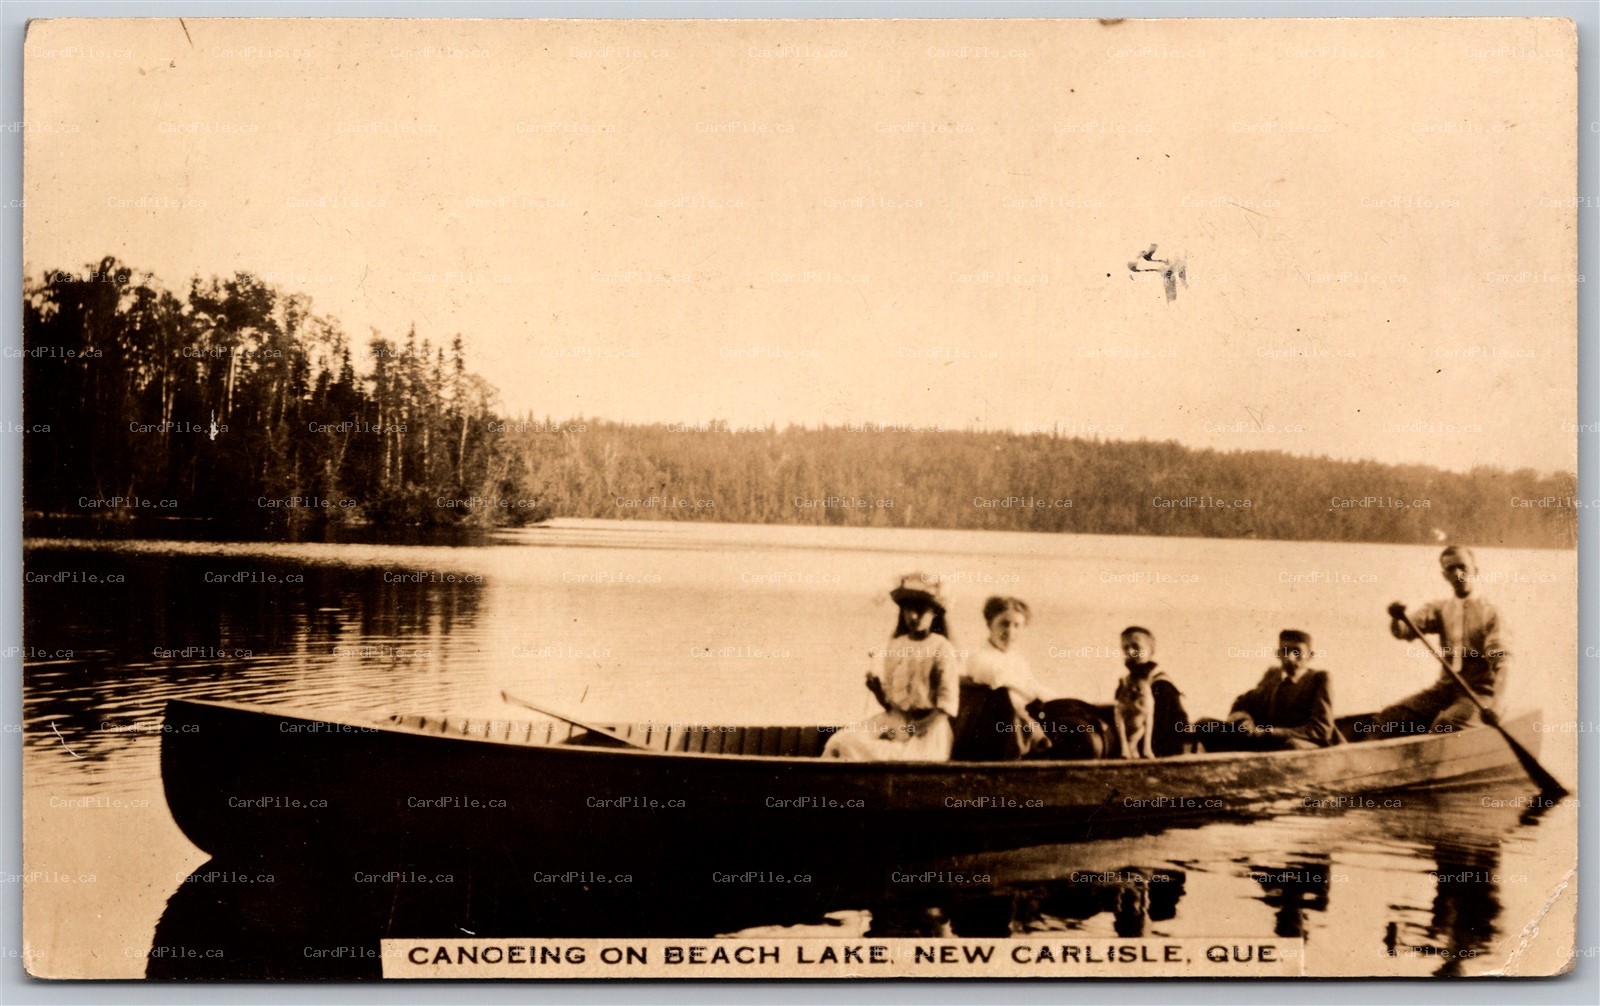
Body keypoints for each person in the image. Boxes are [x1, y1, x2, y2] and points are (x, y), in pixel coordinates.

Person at [821, 574, 961, 761]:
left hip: (927, 730)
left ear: (934, 613)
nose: (913, 616)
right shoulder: (896, 645)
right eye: (908, 609)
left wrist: (910, 730)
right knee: (839, 743)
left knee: (880, 754)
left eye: (920, 610)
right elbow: (891, 702)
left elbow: (946, 706)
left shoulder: (942, 648)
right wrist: (878, 690)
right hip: (895, 721)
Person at [1375, 545, 1509, 736]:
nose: (1457, 573)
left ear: (1475, 570)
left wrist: (1497, 706)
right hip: (1444, 691)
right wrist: (1396, 618)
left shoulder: (1490, 613)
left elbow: (1503, 664)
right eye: (1450, 569)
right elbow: (1403, 631)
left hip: (1479, 695)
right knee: (1390, 717)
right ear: (1444, 575)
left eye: (1462, 566)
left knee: (1445, 724)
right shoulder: (1440, 609)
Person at [1200, 629, 1339, 751]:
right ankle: (1228, 772)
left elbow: (1320, 730)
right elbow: (1242, 703)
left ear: (1310, 655)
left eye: (1297, 652)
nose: (1290, 658)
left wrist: (1266, 733)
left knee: (1292, 746)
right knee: (1205, 724)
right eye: (1285, 651)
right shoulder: (1272, 676)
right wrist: (1243, 721)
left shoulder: (1319, 679)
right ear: (1278, 654)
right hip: (1267, 742)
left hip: (1303, 744)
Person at [952, 596, 1054, 760]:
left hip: (1017, 722)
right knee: (1005, 695)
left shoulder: (1018, 660)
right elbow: (998, 680)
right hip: (992, 730)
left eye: (1017, 626)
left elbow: (1033, 686)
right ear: (990, 623)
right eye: (1004, 624)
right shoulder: (979, 656)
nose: (1010, 631)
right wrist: (1032, 693)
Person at [1114, 626, 1192, 757]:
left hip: (1160, 754)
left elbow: (1167, 729)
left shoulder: (1161, 685)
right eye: (1125, 648)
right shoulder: (1124, 684)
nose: (1130, 652)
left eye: (1136, 647)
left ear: (1151, 650)